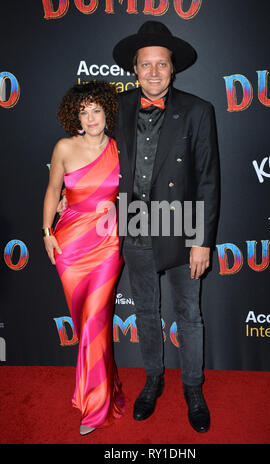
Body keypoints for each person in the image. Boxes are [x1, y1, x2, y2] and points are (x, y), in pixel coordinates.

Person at [112, 21, 220, 433]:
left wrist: (202, 241)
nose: (153, 72)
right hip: (135, 223)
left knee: (188, 314)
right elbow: (93, 158)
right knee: (144, 311)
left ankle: (193, 386)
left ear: (173, 69)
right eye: (146, 64)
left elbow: (208, 179)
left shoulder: (198, 110)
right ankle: (153, 379)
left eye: (161, 64)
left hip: (182, 223)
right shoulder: (117, 108)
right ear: (134, 69)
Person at [42, 81, 125, 436]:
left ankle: (95, 408)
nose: (90, 118)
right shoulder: (64, 147)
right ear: (74, 117)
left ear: (107, 111)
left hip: (107, 243)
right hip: (70, 244)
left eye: (96, 110)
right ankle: (109, 389)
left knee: (94, 321)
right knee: (86, 324)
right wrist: (47, 232)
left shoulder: (122, 149)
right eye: (83, 111)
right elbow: (52, 190)